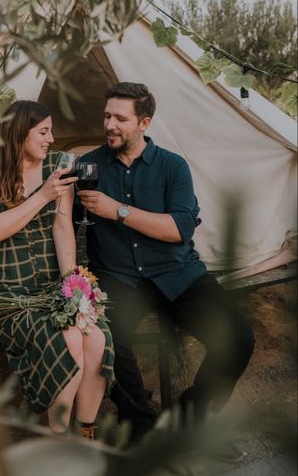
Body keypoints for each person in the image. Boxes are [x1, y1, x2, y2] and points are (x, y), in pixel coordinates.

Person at [75, 82, 255, 448]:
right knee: (107, 341)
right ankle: (141, 430)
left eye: (120, 119)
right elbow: (63, 219)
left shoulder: (173, 167)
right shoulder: (87, 165)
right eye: (107, 115)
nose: (110, 124)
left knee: (237, 339)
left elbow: (179, 229)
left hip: (178, 274)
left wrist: (117, 210)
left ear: (144, 122)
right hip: (118, 278)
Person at [0, 100, 114, 437]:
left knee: (96, 336)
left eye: (51, 131)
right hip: (3, 290)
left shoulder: (59, 165)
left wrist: (73, 287)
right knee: (69, 338)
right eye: (43, 132)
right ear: (18, 134)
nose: (51, 138)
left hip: (50, 284)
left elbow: (62, 228)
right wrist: (42, 196)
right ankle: (58, 438)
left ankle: (85, 434)